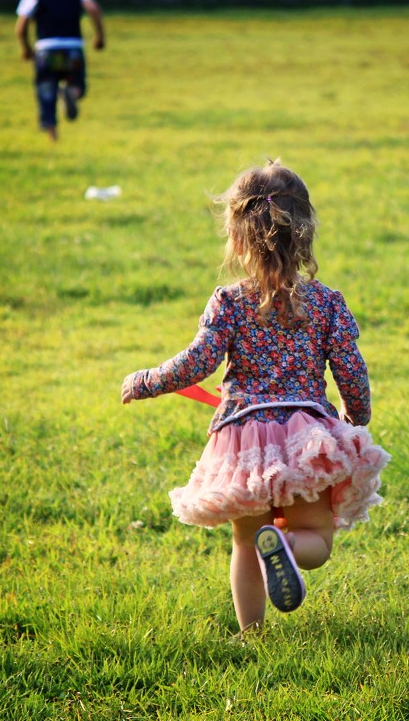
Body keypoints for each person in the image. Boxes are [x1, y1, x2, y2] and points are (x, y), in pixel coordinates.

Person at [121, 161, 390, 633]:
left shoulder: (228, 301)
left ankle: (253, 635)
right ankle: (286, 548)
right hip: (305, 436)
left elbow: (198, 361)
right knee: (316, 540)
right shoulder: (327, 303)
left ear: (238, 238)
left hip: (242, 438)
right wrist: (355, 416)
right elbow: (351, 369)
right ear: (304, 234)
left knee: (245, 542)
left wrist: (147, 380)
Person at [15, 0, 104, 140]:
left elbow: (21, 26)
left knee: (46, 92)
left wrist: (26, 48)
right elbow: (93, 9)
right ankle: (71, 93)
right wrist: (99, 35)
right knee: (77, 83)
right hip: (72, 48)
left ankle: (53, 136)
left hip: (45, 50)